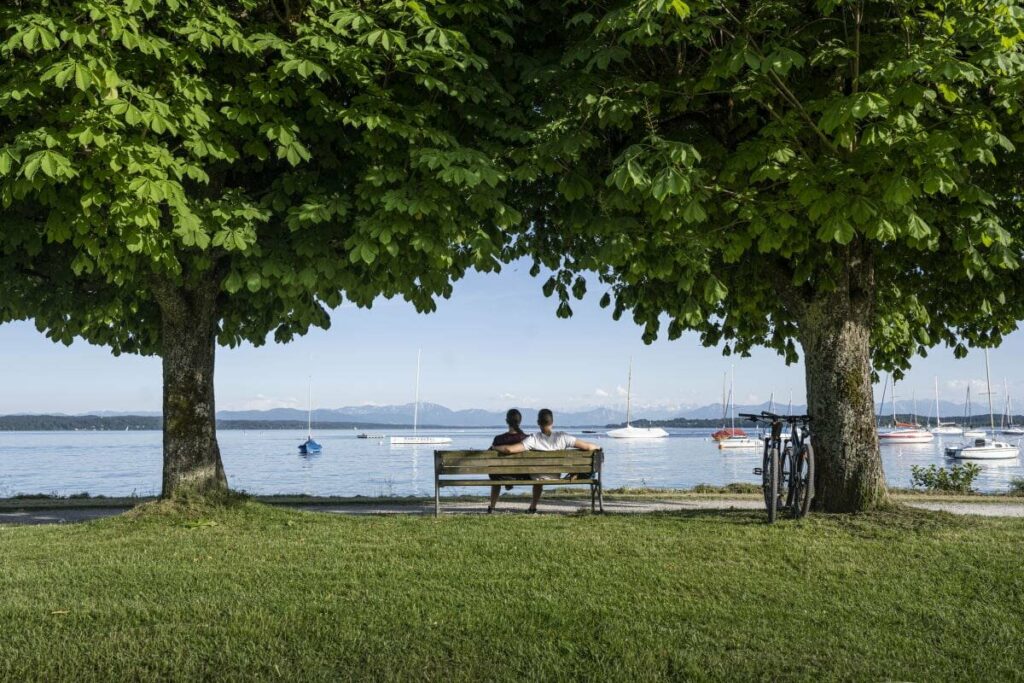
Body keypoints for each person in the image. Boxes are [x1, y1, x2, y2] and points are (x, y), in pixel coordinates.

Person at [492, 408, 599, 513]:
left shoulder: (533, 439)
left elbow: (509, 449)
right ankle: (533, 507)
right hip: (556, 475)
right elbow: (589, 447)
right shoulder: (563, 437)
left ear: (538, 422)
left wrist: (495, 447)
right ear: (552, 422)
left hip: (537, 476)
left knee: (538, 475)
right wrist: (598, 447)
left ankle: (533, 507)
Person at [487, 409, 529, 513]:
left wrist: (494, 447)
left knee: (495, 475)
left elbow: (488, 458)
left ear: (506, 421)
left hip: (500, 475)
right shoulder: (527, 438)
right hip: (522, 475)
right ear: (520, 421)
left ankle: (492, 507)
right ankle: (533, 507)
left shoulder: (498, 439)